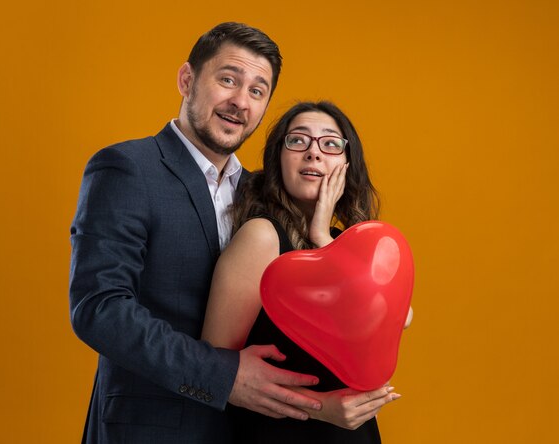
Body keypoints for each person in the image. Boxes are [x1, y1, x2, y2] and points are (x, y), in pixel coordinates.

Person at [68, 22, 337, 443]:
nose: (239, 102)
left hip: (247, 430)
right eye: (228, 79)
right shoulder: (127, 168)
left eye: (257, 90)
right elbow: (99, 309)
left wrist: (321, 231)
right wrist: (223, 376)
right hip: (148, 429)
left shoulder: (261, 191)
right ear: (187, 80)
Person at [202, 101, 409, 443]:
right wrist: (317, 407)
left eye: (330, 144)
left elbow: (401, 315)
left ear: (346, 163)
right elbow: (214, 369)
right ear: (278, 159)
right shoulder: (262, 238)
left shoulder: (345, 243)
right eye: (297, 141)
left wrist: (322, 238)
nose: (313, 153)